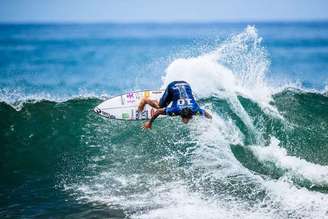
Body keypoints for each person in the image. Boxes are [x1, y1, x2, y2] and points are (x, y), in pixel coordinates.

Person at [138, 81, 212, 129]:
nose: (185, 121)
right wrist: (150, 122)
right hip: (172, 86)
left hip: (186, 85)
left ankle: (169, 98)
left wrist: (210, 123)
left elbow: (206, 114)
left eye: (187, 119)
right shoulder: (175, 110)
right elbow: (158, 111)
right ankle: (145, 100)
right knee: (160, 106)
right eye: (184, 119)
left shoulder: (195, 110)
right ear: (180, 114)